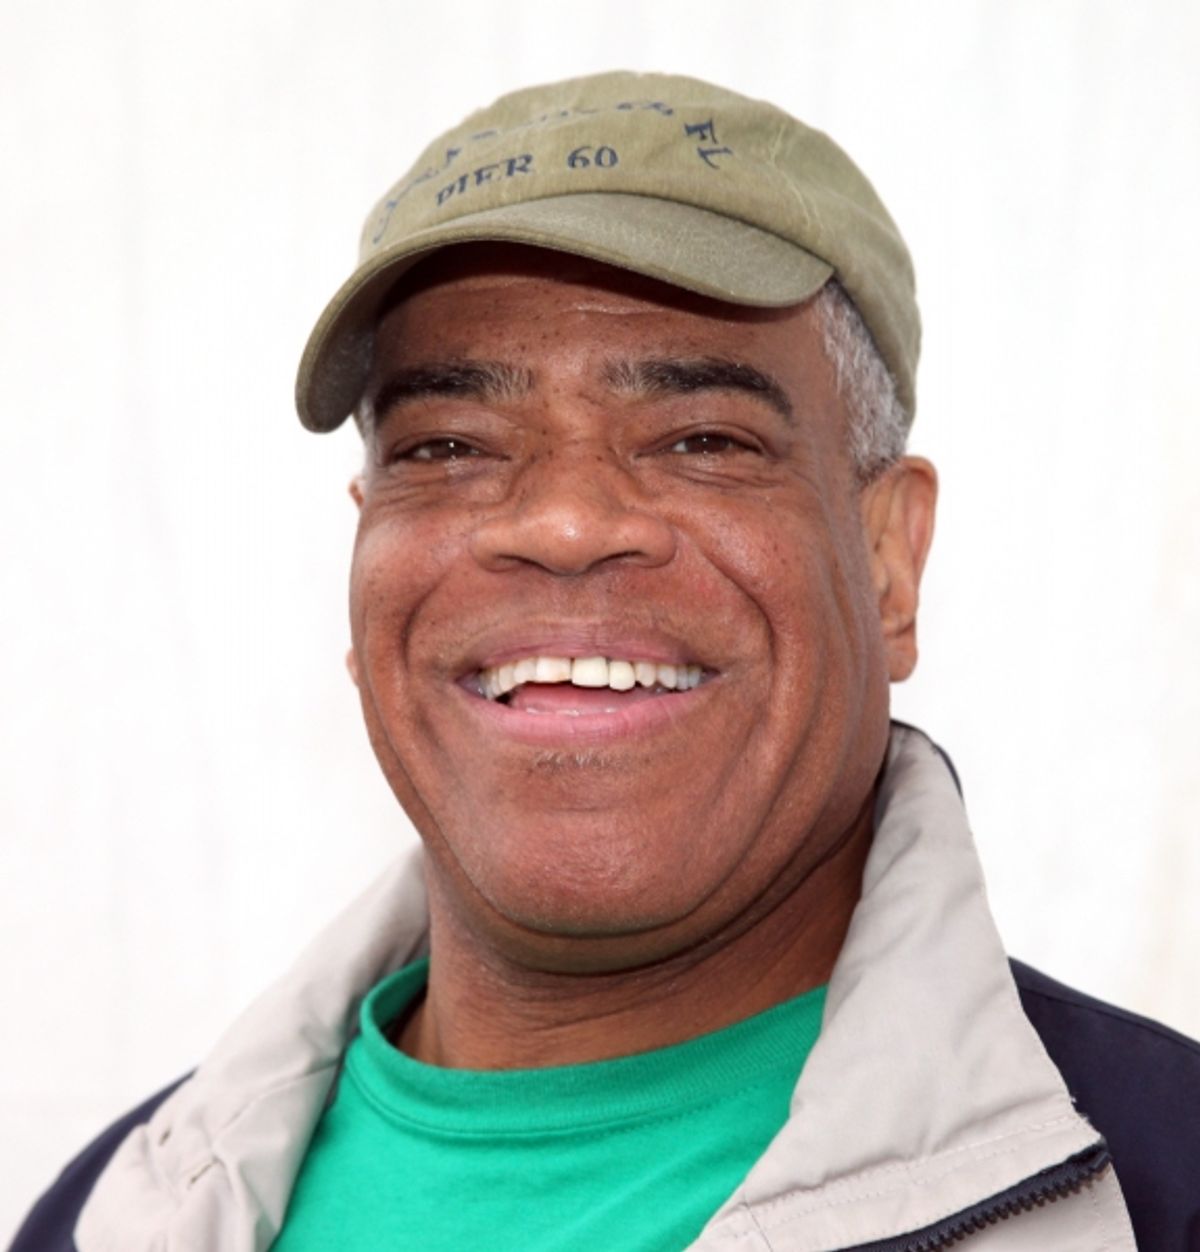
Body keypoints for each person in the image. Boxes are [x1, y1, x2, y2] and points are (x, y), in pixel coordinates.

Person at [12, 70, 1200, 1252]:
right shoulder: (108, 1217)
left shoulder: (1170, 1191)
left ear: (890, 558)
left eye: (702, 438)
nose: (566, 522)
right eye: (449, 445)